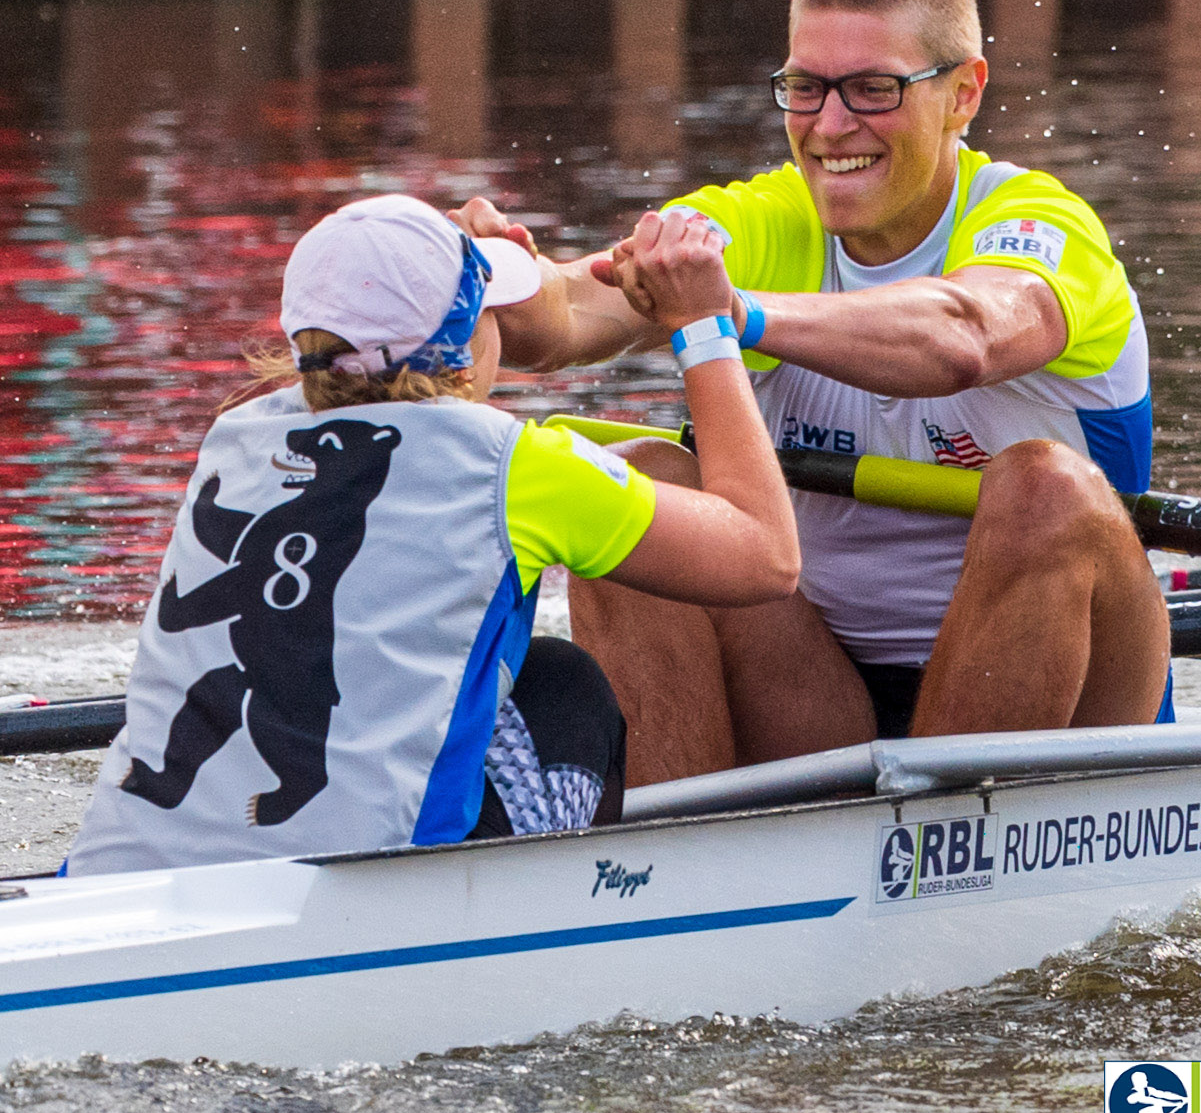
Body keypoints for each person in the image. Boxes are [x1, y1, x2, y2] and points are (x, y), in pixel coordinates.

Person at [452, 0, 1171, 786]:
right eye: (805, 89)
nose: (831, 127)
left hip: (1066, 689)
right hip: (811, 692)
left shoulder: (1036, 221)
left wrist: (731, 314)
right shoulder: (766, 220)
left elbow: (960, 337)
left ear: (962, 94)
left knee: (1044, 486)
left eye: (874, 90)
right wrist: (483, 281)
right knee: (637, 474)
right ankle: (666, 878)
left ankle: (934, 862)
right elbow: (565, 317)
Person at [66, 193, 797, 874]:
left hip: (113, 875)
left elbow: (393, 382)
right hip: (379, 896)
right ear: (466, 342)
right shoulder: (518, 467)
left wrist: (421, 264)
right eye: (488, 311)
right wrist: (704, 327)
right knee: (562, 685)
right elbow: (766, 557)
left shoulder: (239, 435)